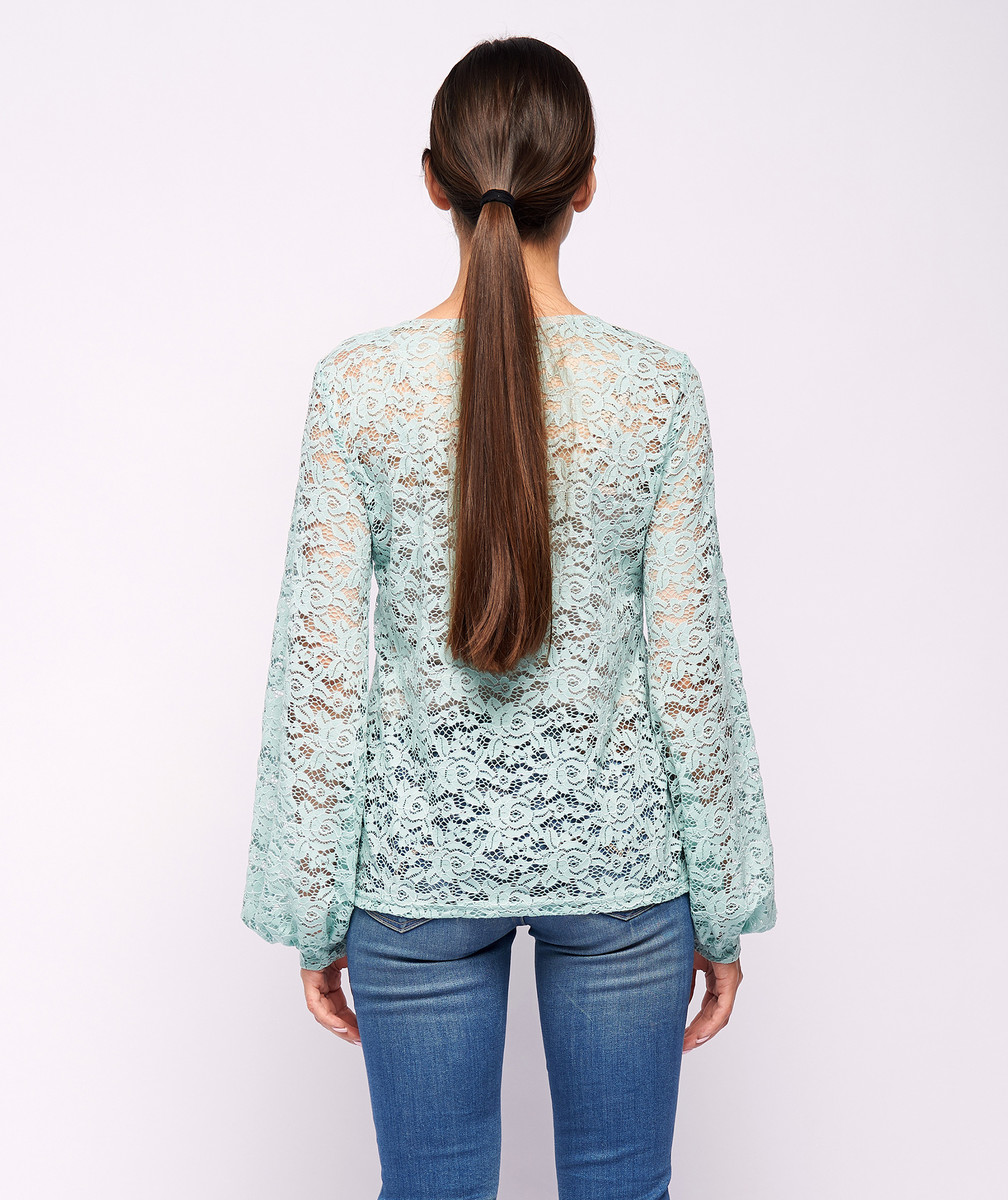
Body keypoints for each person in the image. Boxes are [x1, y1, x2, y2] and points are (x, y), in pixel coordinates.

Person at [241, 34, 777, 1200]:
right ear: (585, 185)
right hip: (622, 871)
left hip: (414, 876)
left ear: (434, 181)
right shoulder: (656, 389)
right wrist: (724, 911)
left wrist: (315, 910)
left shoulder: (357, 387)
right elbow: (690, 665)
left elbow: (322, 672)